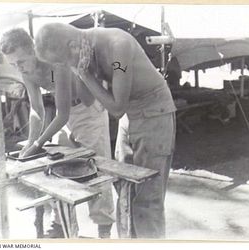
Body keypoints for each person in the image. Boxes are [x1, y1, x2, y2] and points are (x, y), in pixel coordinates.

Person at [34, 23, 176, 238]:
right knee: (125, 192)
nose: (61, 68)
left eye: (61, 61)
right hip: (131, 117)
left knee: (147, 201)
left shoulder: (118, 48)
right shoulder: (84, 49)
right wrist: (82, 71)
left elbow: (116, 107)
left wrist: (83, 73)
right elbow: (90, 99)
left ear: (72, 46)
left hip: (154, 114)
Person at [0, 28, 115, 238]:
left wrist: (36, 145)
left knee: (98, 168)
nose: (19, 68)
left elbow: (61, 114)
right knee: (55, 165)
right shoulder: (27, 72)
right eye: (13, 64)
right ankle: (60, 221)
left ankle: (103, 228)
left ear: (33, 50)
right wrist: (31, 142)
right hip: (68, 115)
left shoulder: (55, 64)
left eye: (22, 61)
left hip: (89, 112)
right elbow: (37, 109)